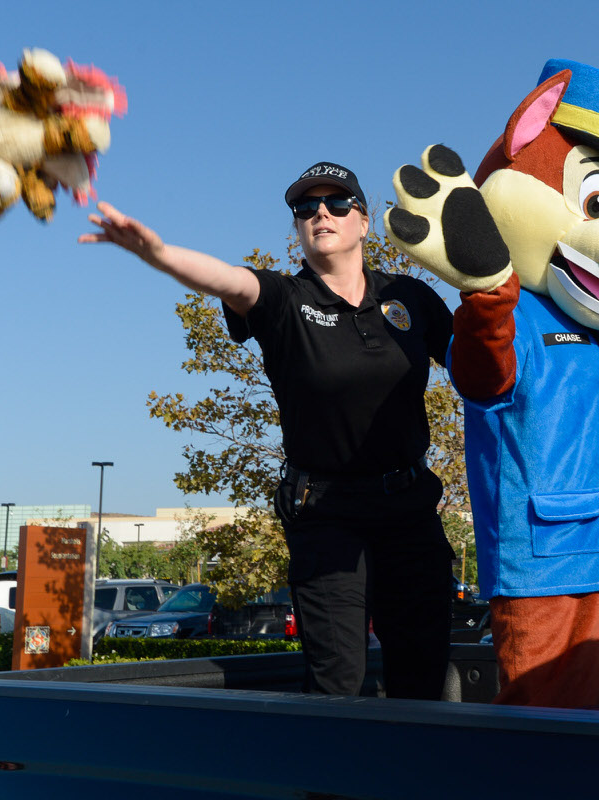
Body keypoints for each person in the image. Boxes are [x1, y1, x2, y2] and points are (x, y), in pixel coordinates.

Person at [80, 162, 455, 700]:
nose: (321, 213)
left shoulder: (410, 298)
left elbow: (479, 367)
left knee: (422, 679)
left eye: (337, 203)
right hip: (327, 516)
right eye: (306, 208)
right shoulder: (286, 300)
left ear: (364, 222)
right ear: (298, 227)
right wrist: (157, 254)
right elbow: (229, 279)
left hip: (409, 510)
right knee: (337, 686)